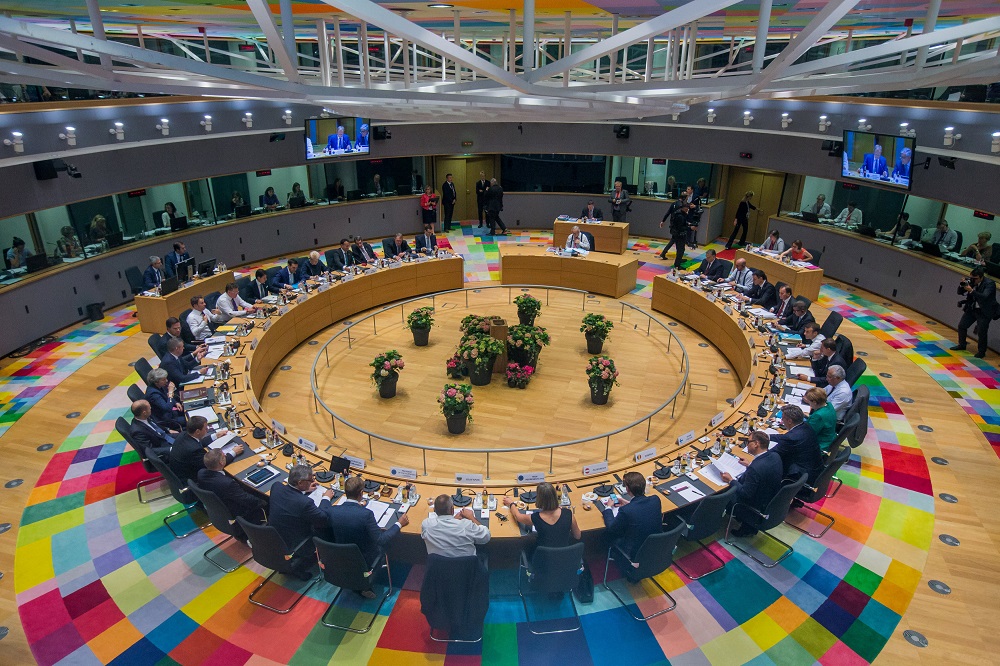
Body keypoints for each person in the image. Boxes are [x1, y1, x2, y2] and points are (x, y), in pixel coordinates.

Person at [326, 476, 408, 596]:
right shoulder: (366, 514)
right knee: (389, 541)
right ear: (361, 493)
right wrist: (399, 524)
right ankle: (367, 583)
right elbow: (381, 539)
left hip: (339, 556)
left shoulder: (333, 510)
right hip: (365, 559)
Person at [268, 465, 335, 579]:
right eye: (310, 480)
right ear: (300, 482)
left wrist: (304, 490)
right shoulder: (304, 503)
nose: (313, 481)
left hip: (275, 536)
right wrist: (326, 498)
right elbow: (322, 518)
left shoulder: (276, 487)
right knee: (329, 528)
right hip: (298, 541)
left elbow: (290, 500)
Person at [722, 430, 783, 537]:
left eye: (748, 441)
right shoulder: (775, 456)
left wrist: (731, 480)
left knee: (723, 493)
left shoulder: (756, 468)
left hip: (754, 506)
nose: (746, 444)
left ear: (756, 444)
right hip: (771, 500)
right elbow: (764, 472)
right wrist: (750, 465)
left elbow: (745, 493)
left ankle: (745, 524)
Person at [197, 449, 267, 541]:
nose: (226, 456)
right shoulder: (227, 483)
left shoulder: (201, 473)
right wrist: (264, 501)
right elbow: (246, 499)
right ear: (221, 462)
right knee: (268, 499)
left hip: (220, 513)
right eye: (224, 456)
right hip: (240, 515)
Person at [595, 471, 662, 559]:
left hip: (633, 552)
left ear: (627, 489)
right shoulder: (655, 500)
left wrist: (608, 507)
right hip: (655, 546)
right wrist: (629, 503)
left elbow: (612, 528)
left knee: (604, 535)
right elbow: (641, 509)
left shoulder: (626, 510)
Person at [503, 482, 581, 557]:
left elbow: (518, 516)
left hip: (543, 561)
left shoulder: (535, 518)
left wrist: (511, 504)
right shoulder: (568, 513)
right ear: (555, 496)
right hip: (564, 558)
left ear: (539, 499)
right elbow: (578, 536)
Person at [168, 415, 240, 486]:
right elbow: (214, 464)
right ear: (198, 431)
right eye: (205, 428)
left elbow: (198, 442)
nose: (208, 430)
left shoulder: (184, 435)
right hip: (191, 479)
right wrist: (233, 452)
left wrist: (216, 435)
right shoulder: (194, 450)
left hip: (181, 471)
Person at [421, 494, 491, 558]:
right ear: (452, 510)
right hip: (466, 568)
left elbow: (445, 530)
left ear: (434, 510)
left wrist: (454, 519)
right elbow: (486, 536)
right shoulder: (466, 525)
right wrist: (471, 517)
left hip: (439, 568)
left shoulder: (427, 525)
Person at [768, 405, 823, 484]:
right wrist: (767, 436)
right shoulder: (805, 426)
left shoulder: (792, 438)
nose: (782, 420)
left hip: (800, 478)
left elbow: (770, 455)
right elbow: (785, 437)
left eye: (782, 418)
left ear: (790, 421)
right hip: (814, 470)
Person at [951, 266, 997, 358]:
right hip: (972, 308)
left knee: (982, 331)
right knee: (962, 326)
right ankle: (962, 344)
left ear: (980, 277)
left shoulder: (990, 284)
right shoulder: (971, 281)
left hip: (984, 311)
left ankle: (981, 352)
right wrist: (962, 285)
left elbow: (984, 296)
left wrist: (971, 290)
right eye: (971, 278)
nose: (972, 280)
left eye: (974, 279)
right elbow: (959, 292)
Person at [803, 388, 838, 453]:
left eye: (809, 402)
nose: (809, 404)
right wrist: (810, 417)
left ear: (814, 402)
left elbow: (807, 434)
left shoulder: (819, 416)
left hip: (819, 446)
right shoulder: (829, 405)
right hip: (829, 439)